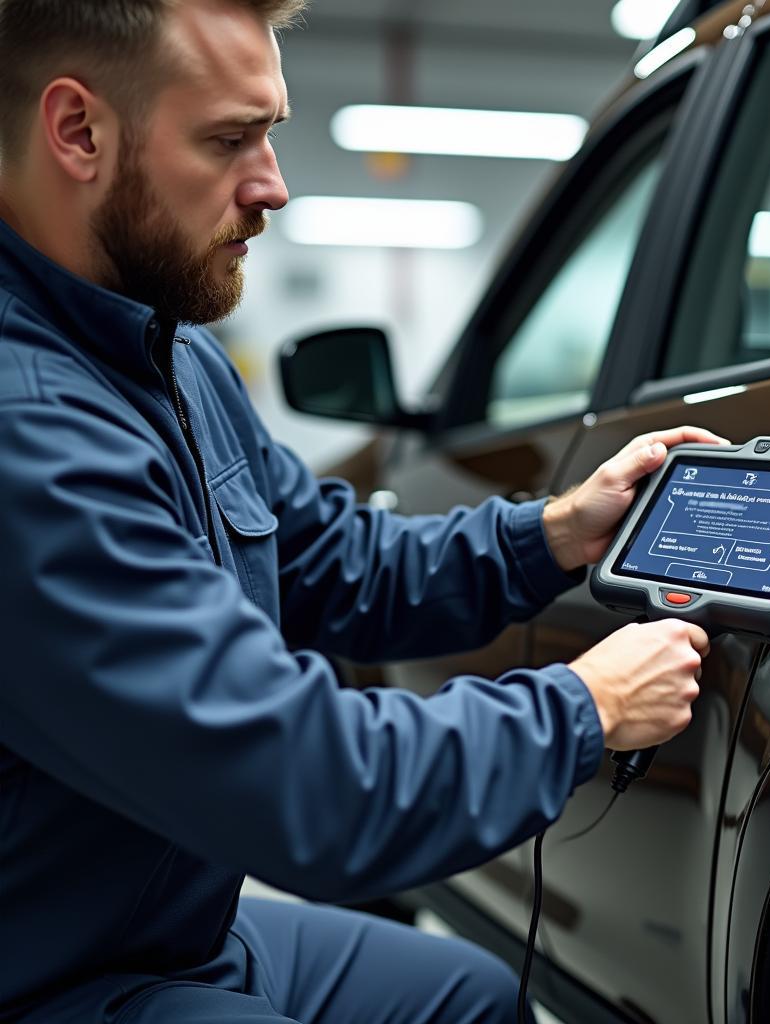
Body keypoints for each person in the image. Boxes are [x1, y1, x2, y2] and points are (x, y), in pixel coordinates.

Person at [0, 1, 720, 1022]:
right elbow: (306, 786)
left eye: (271, 133)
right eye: (227, 139)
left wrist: (555, 532)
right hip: (48, 972)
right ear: (78, 132)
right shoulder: (30, 435)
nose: (272, 185)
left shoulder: (168, 351)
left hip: (162, 926)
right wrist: (583, 709)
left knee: (466, 994)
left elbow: (335, 560)